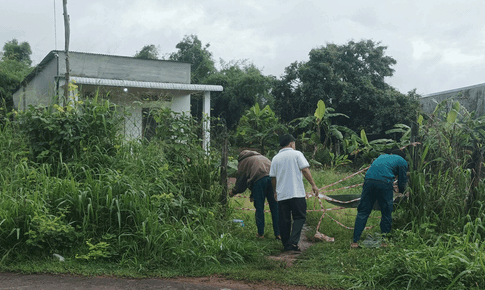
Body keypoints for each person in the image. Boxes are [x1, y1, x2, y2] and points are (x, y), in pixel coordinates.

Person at [270, 134, 319, 252]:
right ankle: (293, 242)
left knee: (284, 219)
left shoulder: (275, 158)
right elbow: (305, 169)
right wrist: (313, 184)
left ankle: (286, 244)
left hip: (282, 194)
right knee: (300, 217)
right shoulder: (297, 154)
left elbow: (273, 177)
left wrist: (275, 191)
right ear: (291, 143)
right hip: (296, 192)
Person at [351, 149, 408, 248]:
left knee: (363, 211)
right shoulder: (402, 161)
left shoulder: (382, 157)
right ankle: (384, 241)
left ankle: (355, 241)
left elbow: (376, 171)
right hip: (384, 182)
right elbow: (402, 181)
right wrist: (403, 193)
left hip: (368, 181)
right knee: (386, 212)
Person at [229, 150, 280, 239]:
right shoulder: (262, 157)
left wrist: (233, 191)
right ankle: (278, 233)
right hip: (273, 179)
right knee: (275, 207)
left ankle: (260, 234)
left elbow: (241, 180)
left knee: (259, 207)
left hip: (259, 180)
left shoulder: (244, 161)